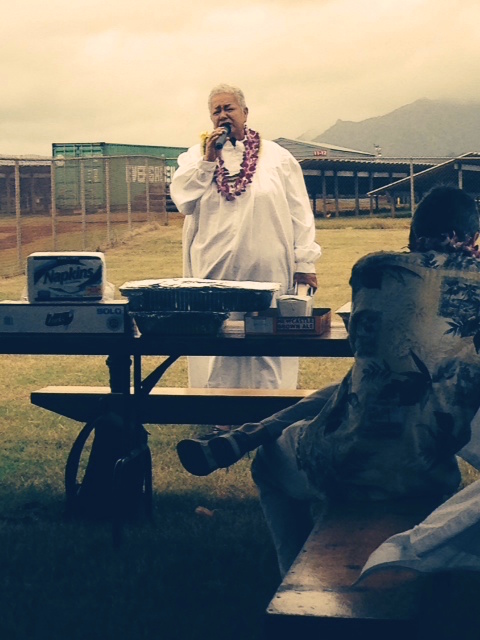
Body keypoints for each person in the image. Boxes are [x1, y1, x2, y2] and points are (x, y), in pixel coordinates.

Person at [177, 186, 480, 577]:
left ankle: (294, 573)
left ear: (414, 229)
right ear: (473, 237)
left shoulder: (374, 271)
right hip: (431, 471)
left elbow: (366, 349)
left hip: (349, 465)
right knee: (367, 384)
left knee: (269, 461)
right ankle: (250, 435)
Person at [170, 83, 321, 391]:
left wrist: (306, 262)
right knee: (217, 337)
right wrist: (207, 161)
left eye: (230, 108)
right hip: (214, 265)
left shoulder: (278, 157)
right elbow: (183, 201)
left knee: (266, 336)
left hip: (268, 265)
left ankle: (266, 411)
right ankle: (220, 412)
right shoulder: (193, 158)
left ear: (245, 112)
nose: (223, 115)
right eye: (217, 110)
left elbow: (300, 213)